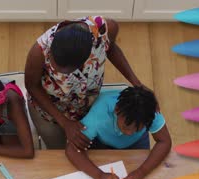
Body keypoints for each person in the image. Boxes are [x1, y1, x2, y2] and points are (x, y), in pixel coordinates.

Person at [25, 16, 143, 150]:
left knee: (87, 147)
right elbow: (32, 86)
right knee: (59, 151)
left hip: (87, 106)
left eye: (68, 71)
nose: (62, 74)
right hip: (48, 112)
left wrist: (136, 83)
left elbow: (111, 48)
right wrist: (64, 122)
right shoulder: (39, 51)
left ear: (88, 56)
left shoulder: (106, 29)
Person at [65, 86, 171, 179]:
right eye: (126, 127)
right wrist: (100, 176)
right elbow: (72, 149)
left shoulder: (150, 113)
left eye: (137, 129)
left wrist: (141, 172)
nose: (129, 133)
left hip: (136, 142)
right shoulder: (99, 114)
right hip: (102, 142)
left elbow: (164, 142)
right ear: (116, 110)